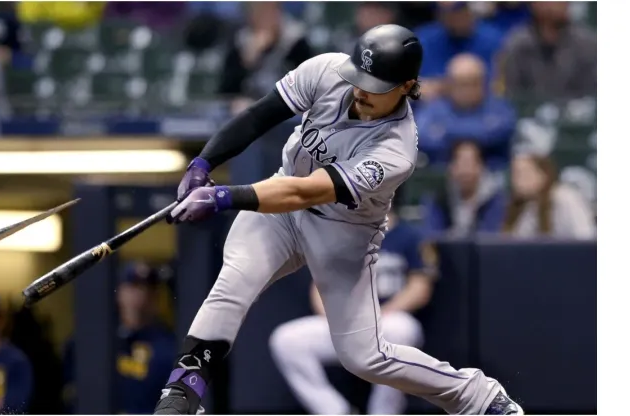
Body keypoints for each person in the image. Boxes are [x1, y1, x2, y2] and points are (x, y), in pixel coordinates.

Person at [152, 24, 522, 415]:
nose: (361, 90)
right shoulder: (327, 70)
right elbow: (260, 116)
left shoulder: (397, 148)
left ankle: (476, 395)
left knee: (364, 357)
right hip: (283, 197)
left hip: (342, 229)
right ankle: (183, 394)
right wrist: (203, 162)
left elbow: (308, 191)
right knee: (233, 282)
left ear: (406, 85)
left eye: (375, 84)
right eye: (359, 78)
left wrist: (225, 195)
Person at [269, 207, 436, 415]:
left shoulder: (410, 235)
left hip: (387, 322)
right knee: (286, 340)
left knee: (403, 330)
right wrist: (337, 319)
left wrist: (380, 313)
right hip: (347, 323)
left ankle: (383, 412)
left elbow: (419, 289)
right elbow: (320, 287)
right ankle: (336, 411)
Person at [63, 262, 176, 414]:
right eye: (134, 286)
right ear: (119, 292)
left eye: (150, 288)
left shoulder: (168, 347)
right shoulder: (94, 340)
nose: (142, 294)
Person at [415, 53, 517, 170]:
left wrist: (447, 132)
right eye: (461, 84)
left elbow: (503, 130)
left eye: (473, 83)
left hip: (493, 173)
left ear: (483, 84)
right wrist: (478, 132)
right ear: (449, 85)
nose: (467, 90)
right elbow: (422, 136)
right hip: (442, 174)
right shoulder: (434, 108)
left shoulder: (498, 106)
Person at [218, 1, 313, 111]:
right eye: (260, 12)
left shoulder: (296, 40)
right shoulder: (240, 40)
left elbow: (308, 84)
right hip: (250, 108)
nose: (267, 18)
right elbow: (227, 91)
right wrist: (246, 62)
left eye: (271, 10)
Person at [498, 1, 596, 100]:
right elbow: (512, 94)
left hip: (576, 111)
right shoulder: (517, 44)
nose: (562, 4)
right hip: (530, 112)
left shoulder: (587, 44)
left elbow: (592, 92)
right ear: (534, 4)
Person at [414, 2, 503, 101]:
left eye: (460, 11)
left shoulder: (492, 38)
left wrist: (446, 86)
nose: (456, 17)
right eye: (449, 13)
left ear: (469, 11)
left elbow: (496, 84)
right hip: (436, 107)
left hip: (484, 106)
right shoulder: (425, 39)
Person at [422, 141, 507, 238]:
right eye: (460, 163)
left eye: (470, 163)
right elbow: (431, 237)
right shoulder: (439, 199)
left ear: (481, 167)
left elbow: (489, 237)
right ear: (451, 168)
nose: (465, 170)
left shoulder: (495, 201)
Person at [502, 153, 595, 239]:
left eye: (522, 173)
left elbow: (585, 235)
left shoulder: (566, 197)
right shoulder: (523, 206)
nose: (516, 181)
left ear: (544, 175)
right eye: (514, 174)